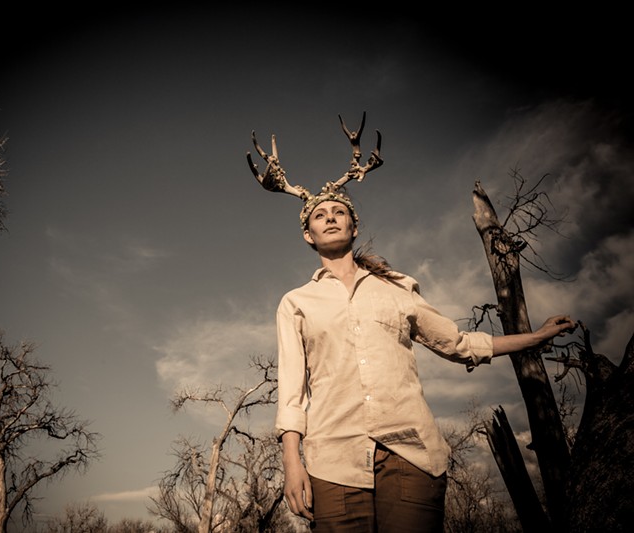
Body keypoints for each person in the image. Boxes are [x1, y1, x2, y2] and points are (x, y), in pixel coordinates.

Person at [245, 114, 576, 532]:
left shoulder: (397, 291)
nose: (329, 217)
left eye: (338, 211)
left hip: (412, 455)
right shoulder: (296, 302)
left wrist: (538, 336)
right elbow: (291, 393)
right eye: (319, 216)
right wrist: (293, 464)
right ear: (308, 235)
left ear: (353, 224)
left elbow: (459, 344)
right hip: (333, 461)